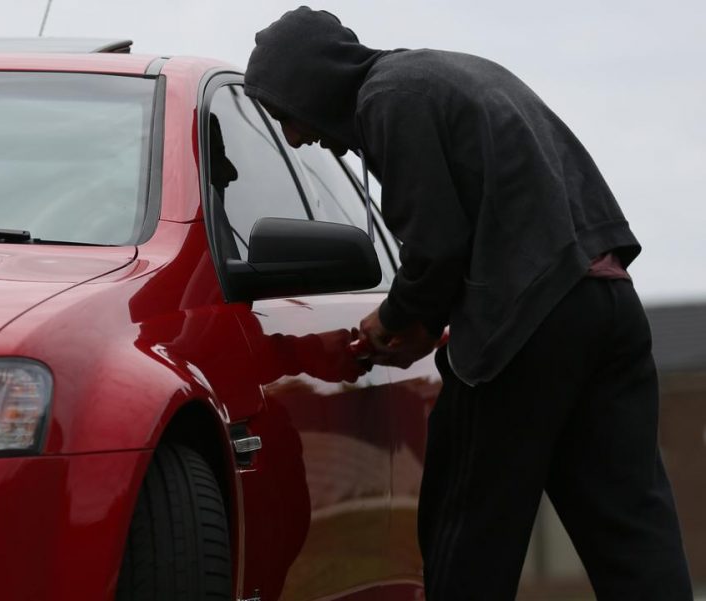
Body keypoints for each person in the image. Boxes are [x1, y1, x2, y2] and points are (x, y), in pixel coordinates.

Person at [244, 6, 692, 600]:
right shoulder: (445, 76)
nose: (296, 137)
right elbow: (487, 227)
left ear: (310, 83)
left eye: (286, 115)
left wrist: (394, 320)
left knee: (469, 529)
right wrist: (427, 323)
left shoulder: (389, 98)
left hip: (529, 320)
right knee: (629, 526)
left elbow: (436, 247)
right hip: (609, 307)